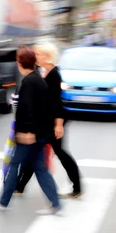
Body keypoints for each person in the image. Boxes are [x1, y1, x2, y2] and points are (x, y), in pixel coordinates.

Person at [0, 46, 61, 215]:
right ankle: (56, 203)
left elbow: (28, 110)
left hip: (31, 135)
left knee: (14, 164)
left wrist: (26, 132)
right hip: (41, 134)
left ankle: (3, 201)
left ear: (20, 63)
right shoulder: (37, 79)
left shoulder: (29, 82)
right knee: (40, 168)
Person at [15, 41, 82, 198]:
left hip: (53, 123)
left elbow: (57, 102)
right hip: (47, 122)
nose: (35, 57)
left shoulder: (54, 75)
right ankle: (19, 186)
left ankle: (77, 187)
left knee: (59, 154)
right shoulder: (46, 73)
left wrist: (58, 125)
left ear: (47, 57)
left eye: (38, 54)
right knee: (36, 151)